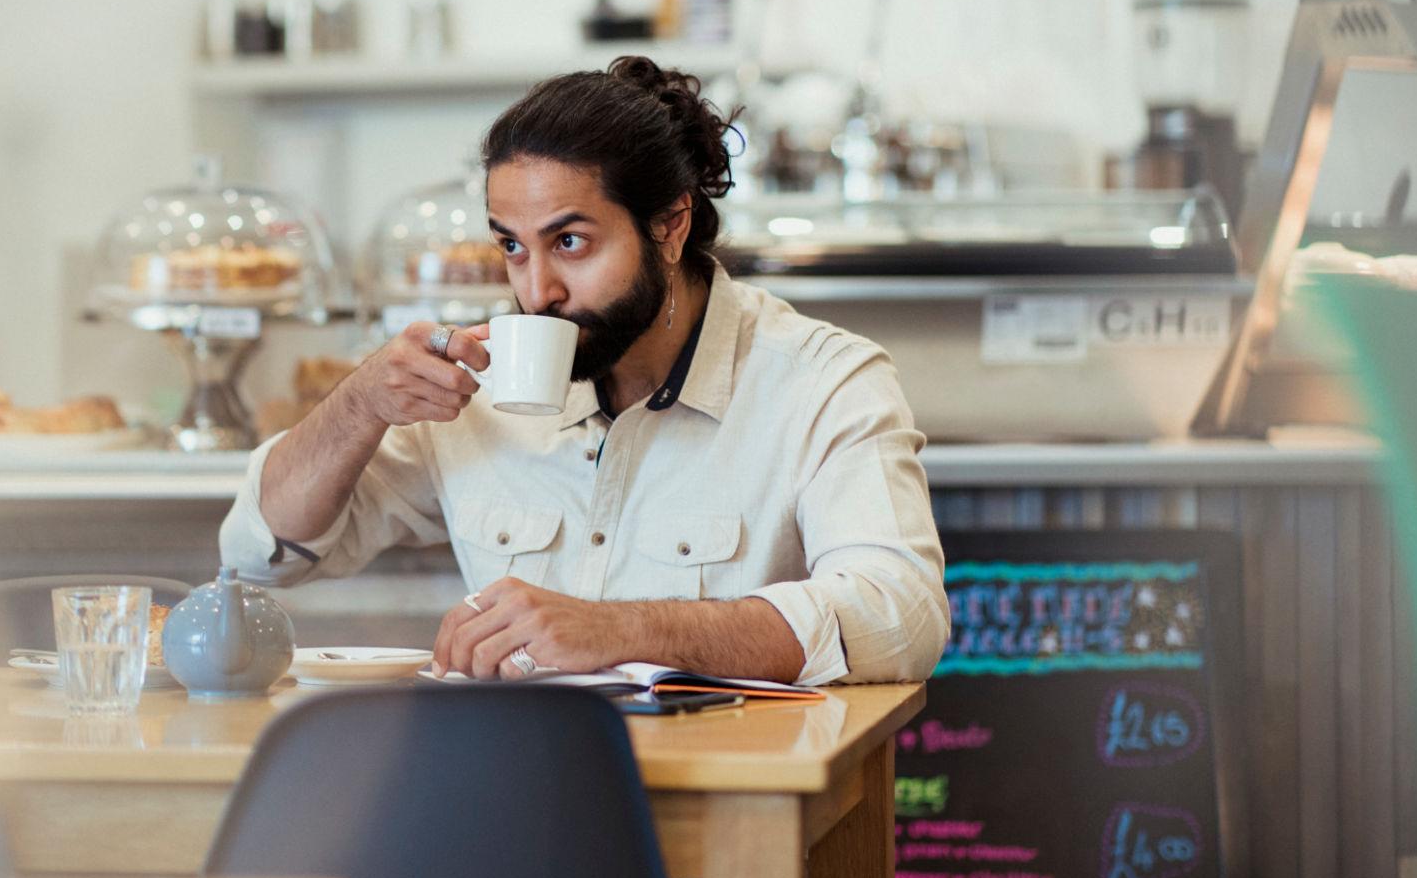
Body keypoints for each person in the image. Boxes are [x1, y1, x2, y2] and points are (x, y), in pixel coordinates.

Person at [218, 56, 947, 685]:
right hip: (521, 792)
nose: (537, 291)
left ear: (670, 224)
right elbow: (263, 553)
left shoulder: (823, 381)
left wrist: (619, 630)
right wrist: (359, 405)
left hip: (732, 806)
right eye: (512, 247)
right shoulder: (482, 384)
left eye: (569, 241)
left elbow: (901, 614)